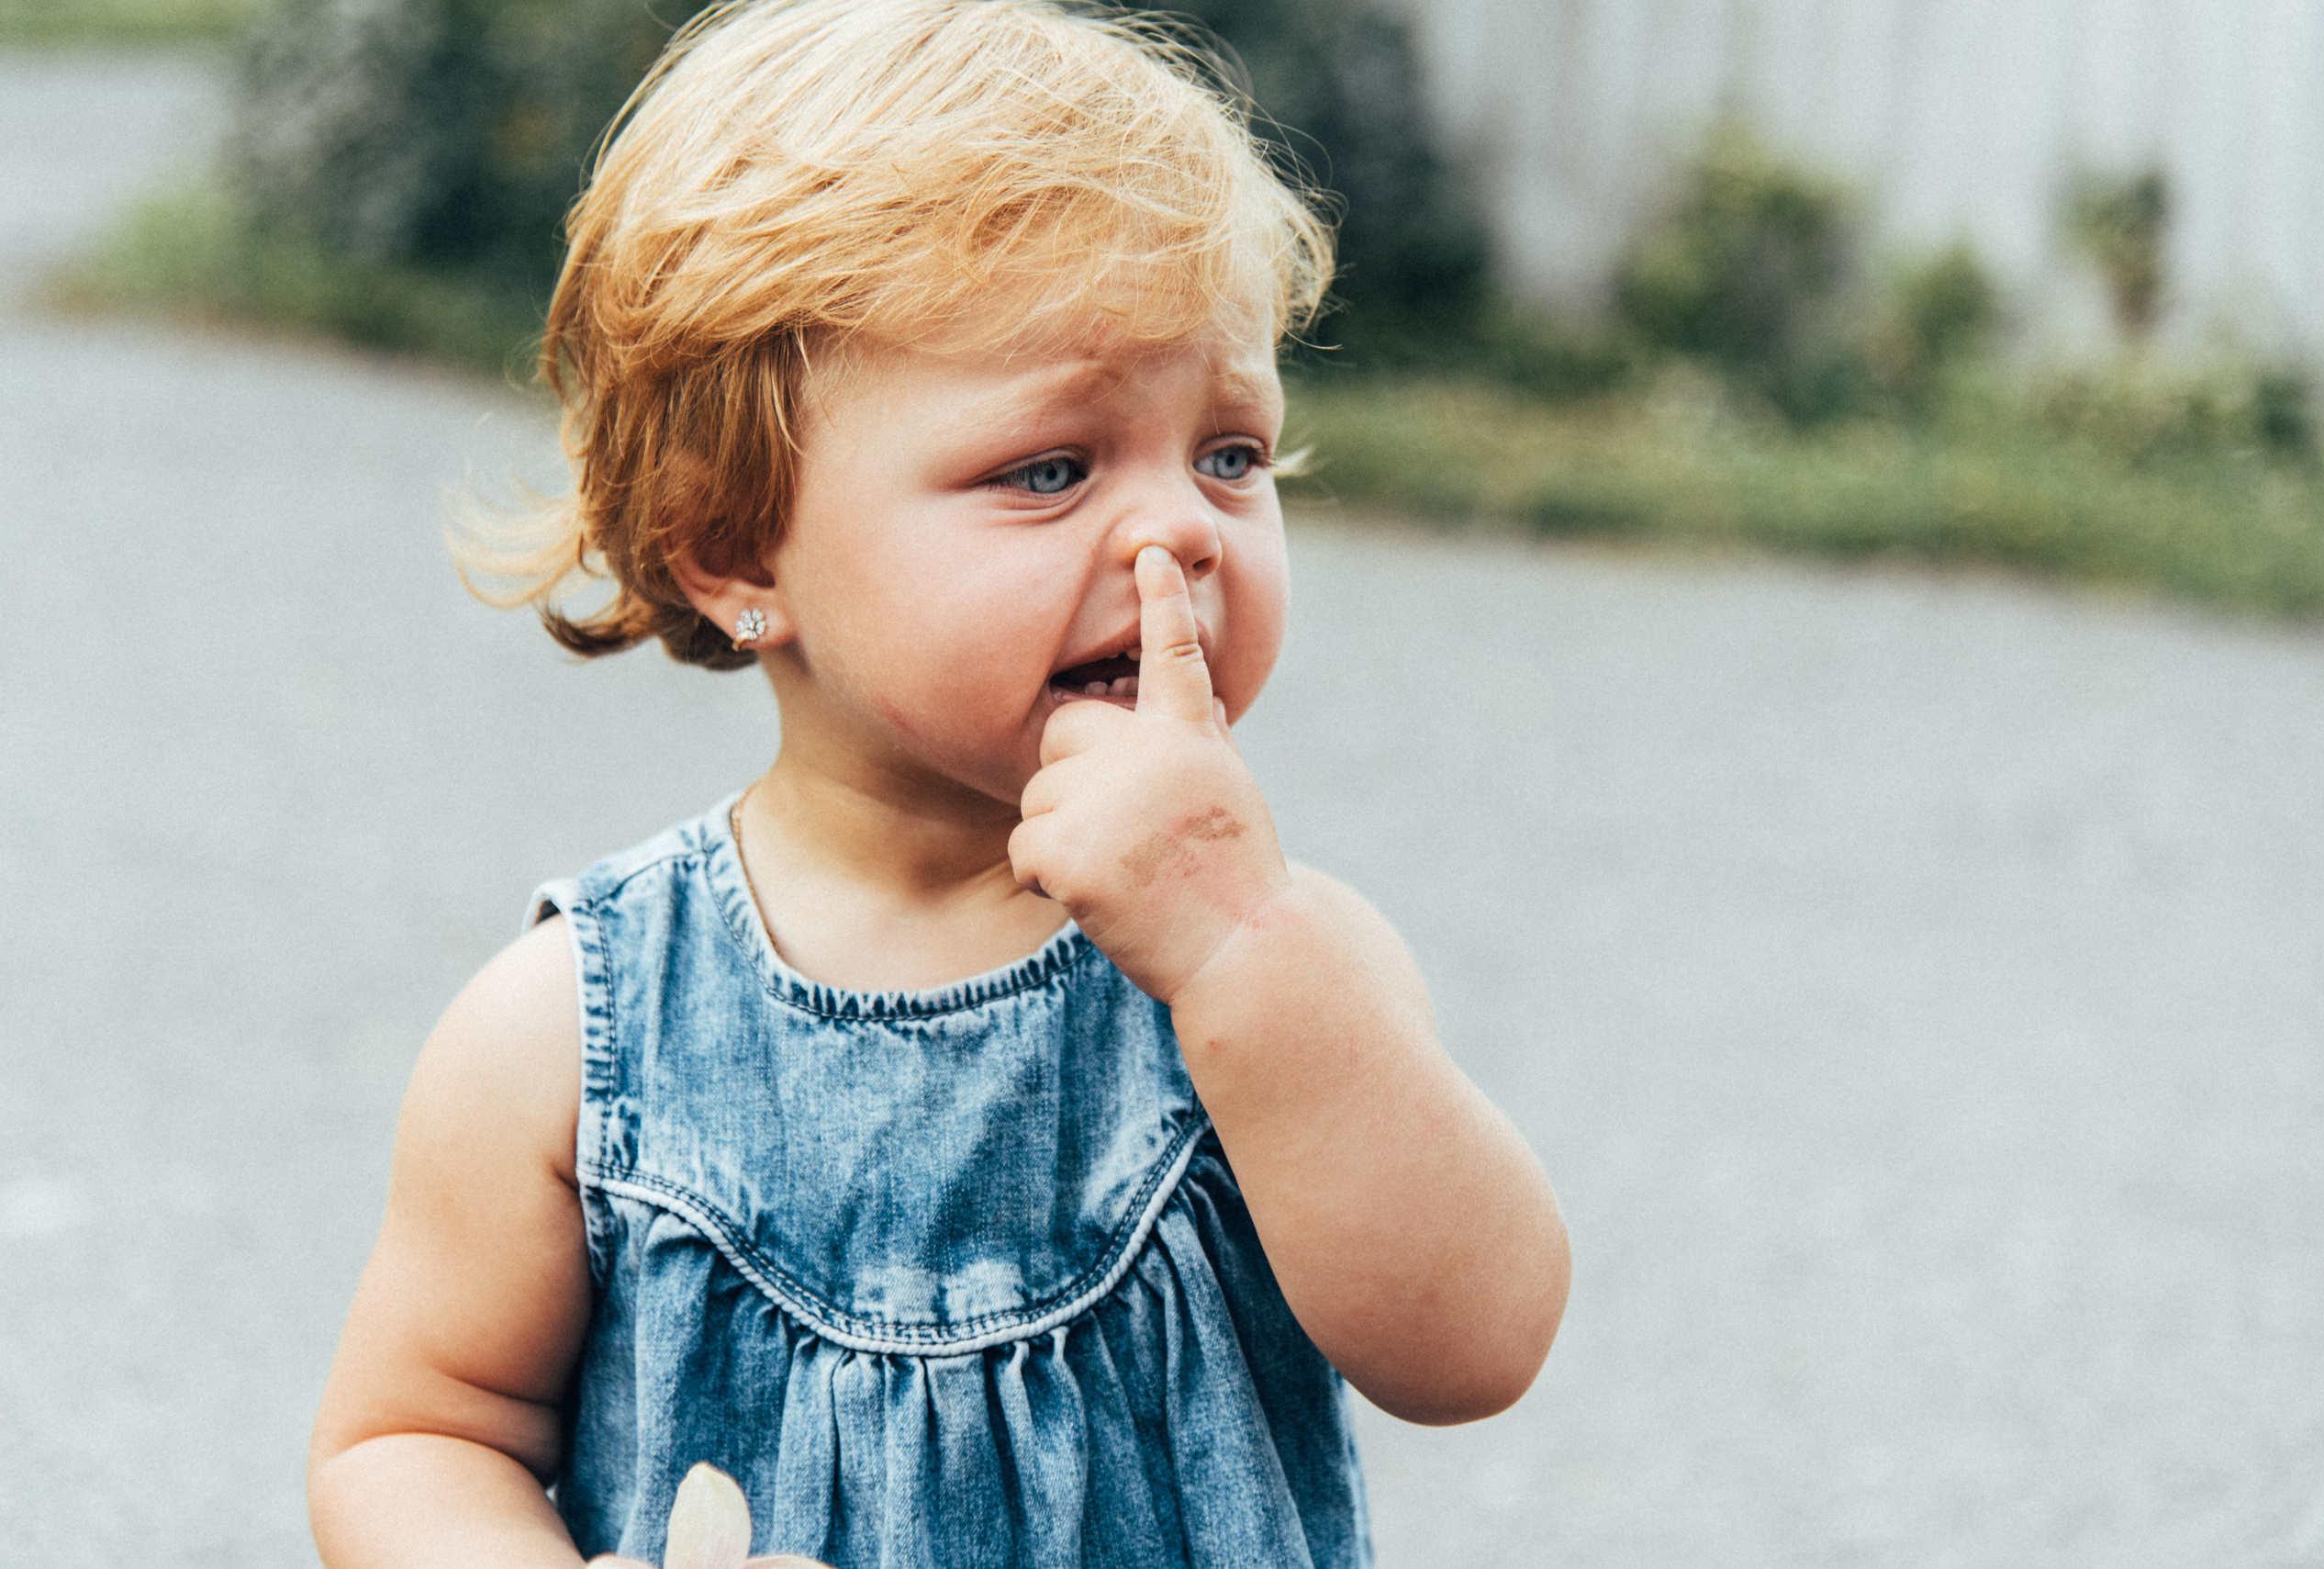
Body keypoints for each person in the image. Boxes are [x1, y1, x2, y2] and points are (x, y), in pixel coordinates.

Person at [305, 2, 1570, 1564]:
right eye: (1051, 468)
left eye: (1231, 453)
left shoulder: (1282, 963)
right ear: (737, 548)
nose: (1180, 531)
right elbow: (418, 1434)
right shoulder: (574, 1028)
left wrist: (1242, 950)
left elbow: (1476, 1341)